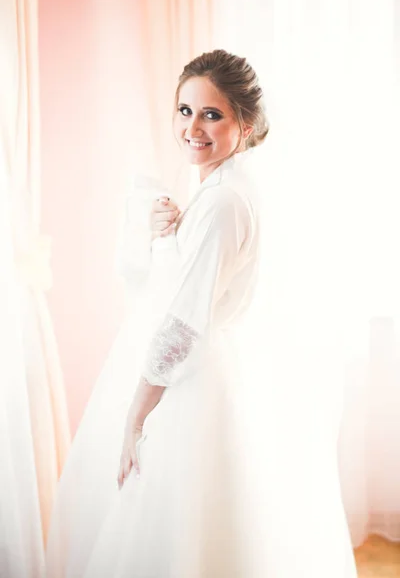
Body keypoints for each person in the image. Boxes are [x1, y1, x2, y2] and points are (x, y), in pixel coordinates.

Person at [46, 50, 357, 577]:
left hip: (192, 388)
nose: (193, 126)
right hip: (208, 377)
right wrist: (167, 236)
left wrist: (136, 415)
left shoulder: (222, 201)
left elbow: (184, 324)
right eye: (185, 110)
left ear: (246, 122)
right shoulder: (221, 187)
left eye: (212, 114)